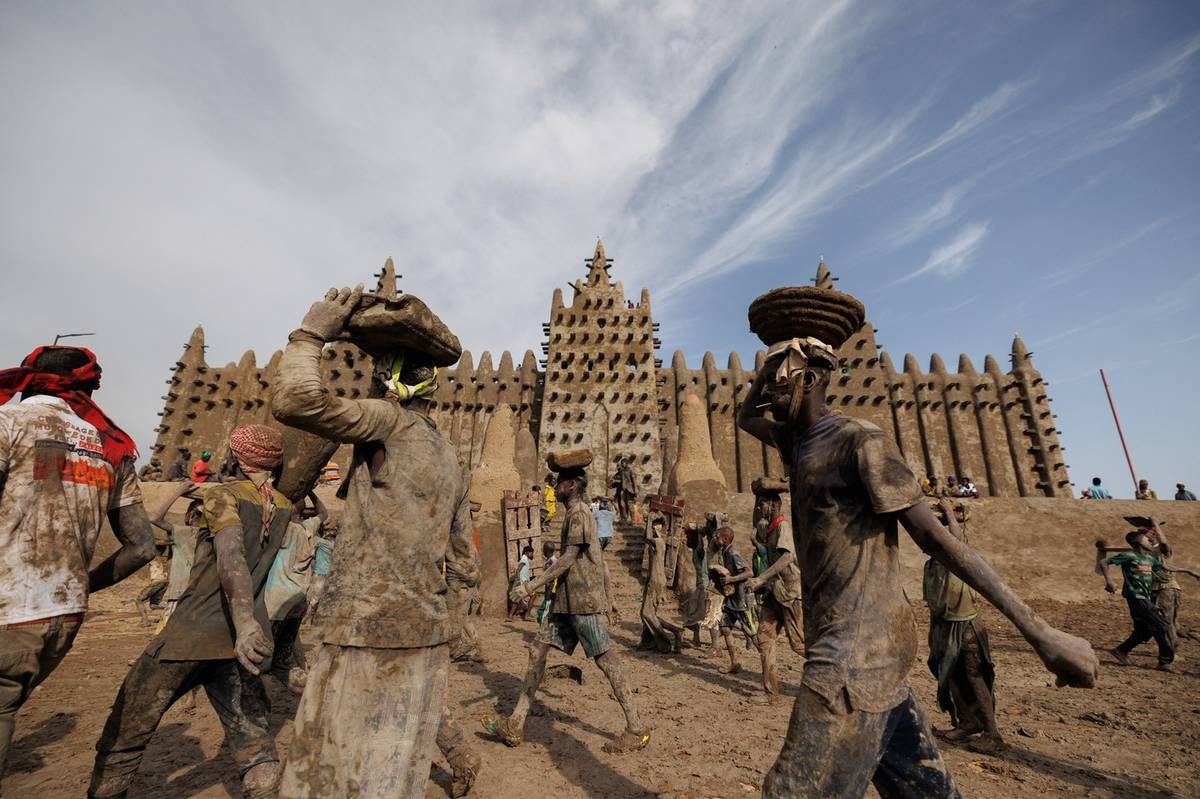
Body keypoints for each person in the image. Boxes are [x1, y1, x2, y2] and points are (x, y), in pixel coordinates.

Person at [738, 300, 1097, 798]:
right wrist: (776, 361)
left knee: (792, 791)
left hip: (851, 658)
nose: (768, 398)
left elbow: (934, 538)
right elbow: (743, 415)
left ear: (811, 379)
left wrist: (1040, 633)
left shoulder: (858, 441)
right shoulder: (795, 444)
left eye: (780, 383)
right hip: (866, 657)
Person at [271, 285, 475, 799]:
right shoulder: (450, 457)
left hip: (363, 626)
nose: (377, 376)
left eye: (383, 367)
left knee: (330, 769)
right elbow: (464, 559)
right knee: (394, 768)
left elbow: (295, 400)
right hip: (424, 630)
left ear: (393, 377)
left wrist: (310, 332)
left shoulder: (388, 421)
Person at [89, 424, 289, 799]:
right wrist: (247, 625)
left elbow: (232, 557)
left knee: (127, 728)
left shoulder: (223, 497)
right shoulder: (282, 504)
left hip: (193, 633)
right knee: (254, 742)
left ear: (239, 458)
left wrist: (243, 621)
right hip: (240, 643)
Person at [0, 345, 154, 781]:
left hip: (7, 607)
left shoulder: (8, 424)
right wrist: (78, 585)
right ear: (87, 386)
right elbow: (142, 547)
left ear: (27, 377)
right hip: (63, 615)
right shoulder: (110, 446)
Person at [484, 449, 650, 754]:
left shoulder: (579, 514)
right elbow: (601, 561)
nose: (556, 488)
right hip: (566, 602)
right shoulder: (577, 514)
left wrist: (530, 586)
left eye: (560, 483)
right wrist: (610, 598)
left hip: (583, 602)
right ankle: (516, 722)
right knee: (538, 650)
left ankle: (636, 728)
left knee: (605, 659)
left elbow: (569, 558)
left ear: (571, 486)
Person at [923, 499, 1000, 754]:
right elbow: (934, 602)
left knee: (974, 677)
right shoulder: (932, 565)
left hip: (965, 625)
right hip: (944, 626)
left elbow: (954, 539)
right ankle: (967, 722)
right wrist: (932, 633)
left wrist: (947, 512)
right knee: (950, 676)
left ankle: (992, 734)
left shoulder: (953, 558)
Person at [742, 477, 804, 698]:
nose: (760, 508)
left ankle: (836, 674)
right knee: (764, 639)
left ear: (775, 505)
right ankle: (771, 692)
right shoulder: (767, 528)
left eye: (763, 504)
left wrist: (760, 579)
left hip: (789, 593)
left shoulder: (783, 526)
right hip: (773, 592)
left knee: (799, 645)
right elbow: (767, 553)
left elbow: (786, 558)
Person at [264, 493, 329, 694]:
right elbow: (323, 512)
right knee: (283, 662)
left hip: (275, 603)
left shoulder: (278, 529)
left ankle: (259, 701)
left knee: (261, 658)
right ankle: (311, 695)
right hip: (298, 600)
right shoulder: (306, 528)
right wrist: (311, 491)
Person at [1100, 529, 1174, 670]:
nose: (1150, 541)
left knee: (1144, 631)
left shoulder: (1150, 559)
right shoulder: (1128, 556)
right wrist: (1109, 581)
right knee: (1163, 625)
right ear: (1139, 542)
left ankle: (1121, 651)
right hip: (1136, 597)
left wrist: (1189, 571)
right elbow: (1104, 562)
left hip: (1145, 598)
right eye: (1146, 540)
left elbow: (1166, 568)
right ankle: (1165, 661)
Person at [139, 481, 202, 625]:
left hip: (180, 591)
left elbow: (155, 518)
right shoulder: (210, 534)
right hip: (201, 592)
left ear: (190, 516)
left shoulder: (183, 533)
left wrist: (178, 493)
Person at [711, 527, 756, 675]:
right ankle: (734, 662)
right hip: (731, 600)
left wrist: (731, 579)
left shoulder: (733, 553)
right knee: (725, 628)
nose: (715, 539)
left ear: (724, 538)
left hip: (741, 601)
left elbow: (749, 572)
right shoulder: (724, 552)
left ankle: (767, 662)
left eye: (717, 537)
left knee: (752, 634)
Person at [448, 500, 487, 664]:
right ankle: (479, 649)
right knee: (463, 616)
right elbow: (477, 560)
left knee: (454, 614)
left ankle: (458, 648)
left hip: (459, 572)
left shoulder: (452, 533)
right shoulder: (470, 533)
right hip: (471, 572)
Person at [507, 545, 535, 621]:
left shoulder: (524, 559)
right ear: (527, 552)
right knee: (533, 596)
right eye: (531, 553)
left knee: (517, 599)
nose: (532, 555)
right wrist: (519, 580)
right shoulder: (524, 559)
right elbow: (518, 569)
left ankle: (510, 616)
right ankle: (527, 615)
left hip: (522, 582)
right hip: (523, 582)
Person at [536, 541, 558, 625]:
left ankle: (543, 628)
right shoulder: (549, 560)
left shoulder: (553, 561)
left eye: (544, 550)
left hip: (552, 587)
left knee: (545, 609)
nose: (543, 552)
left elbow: (554, 575)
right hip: (548, 586)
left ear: (547, 551)